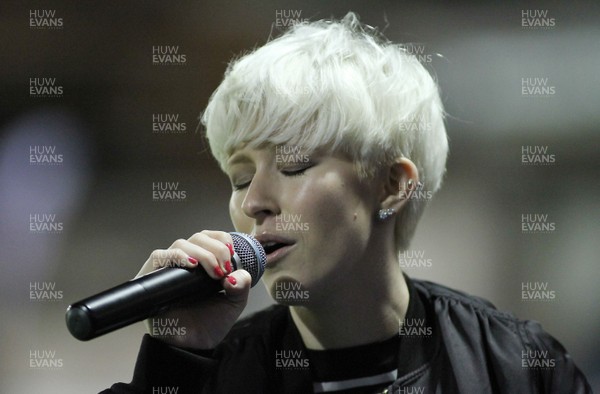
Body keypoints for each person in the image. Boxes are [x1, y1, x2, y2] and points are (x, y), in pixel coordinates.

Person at [103, 12, 591, 394]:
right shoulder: (216, 374)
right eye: (240, 177)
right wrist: (174, 361)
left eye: (293, 167)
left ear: (393, 186)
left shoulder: (514, 363)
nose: (254, 203)